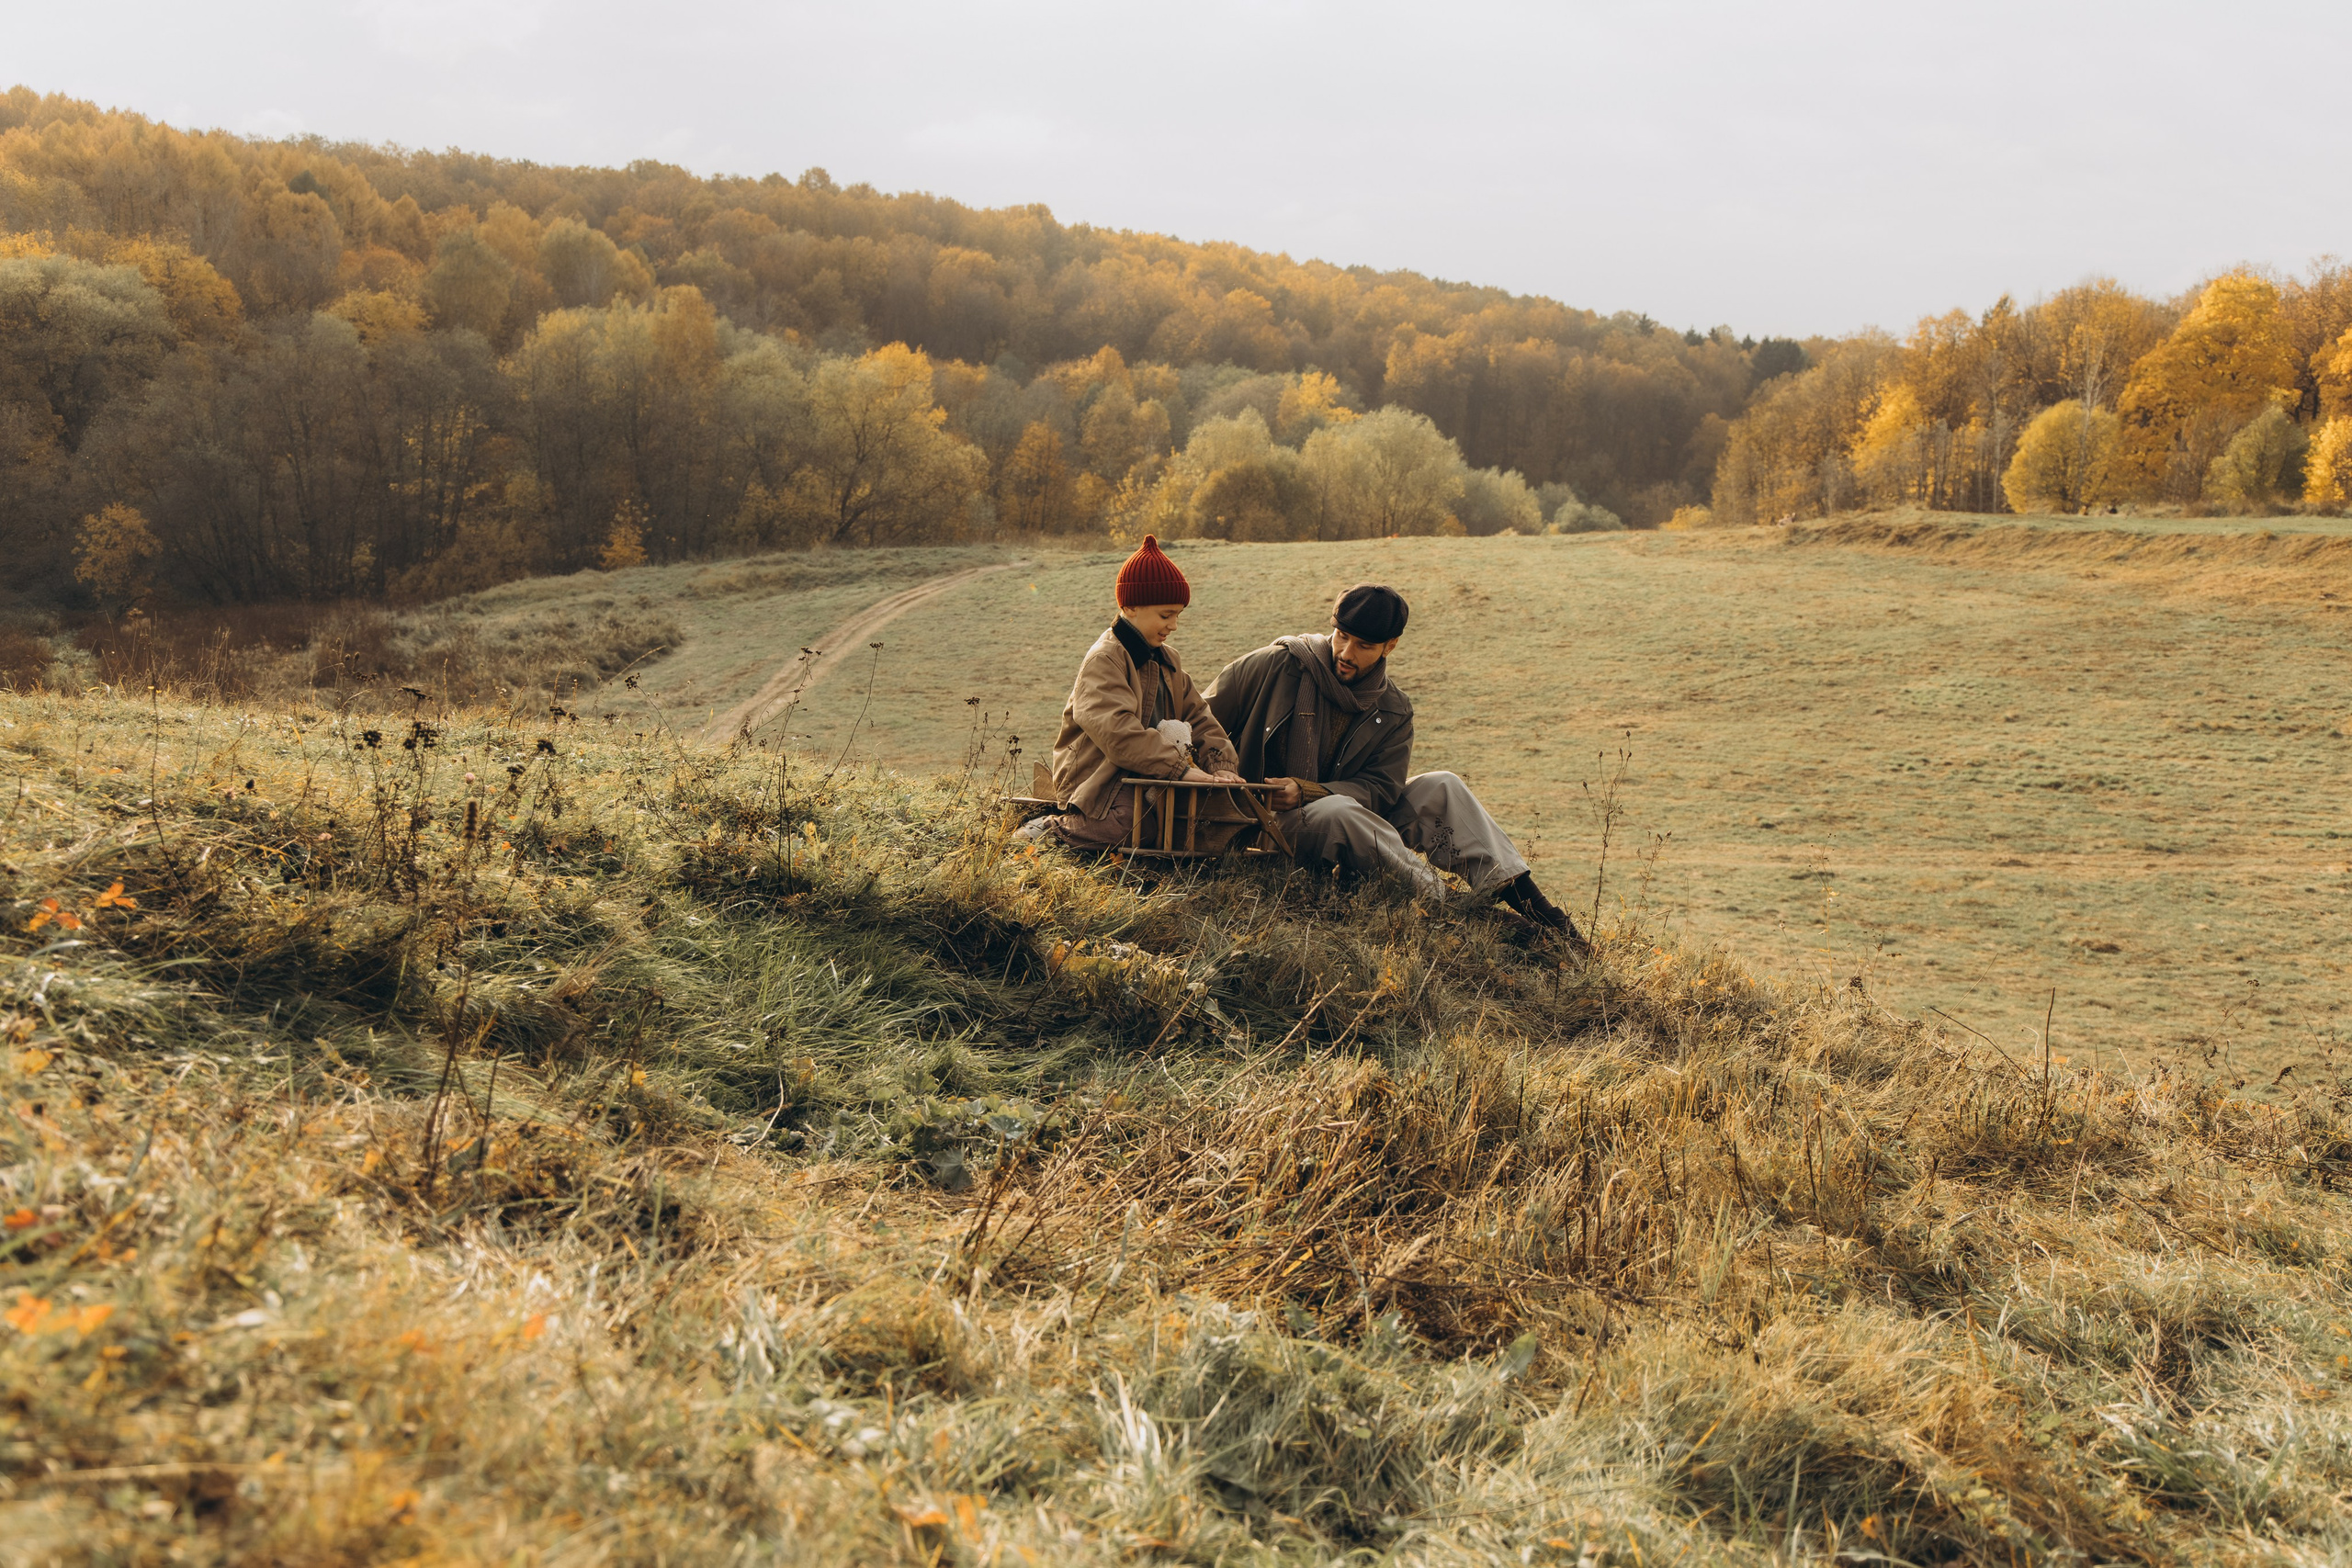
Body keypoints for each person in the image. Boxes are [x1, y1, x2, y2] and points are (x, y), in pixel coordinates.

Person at [1203, 583, 1588, 944]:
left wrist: (1309, 791)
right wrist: (1223, 774)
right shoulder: (1274, 666)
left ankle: (1542, 914)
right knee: (1338, 808)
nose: (1346, 653)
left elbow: (1382, 788)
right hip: (1261, 822)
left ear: (1390, 646)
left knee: (1442, 785)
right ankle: (1454, 909)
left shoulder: (1393, 708)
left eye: (1364, 645)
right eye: (1342, 636)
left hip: (1337, 814)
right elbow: (1199, 720)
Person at [1022, 535, 1244, 850]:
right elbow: (1117, 733)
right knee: (1131, 825)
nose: (1174, 625)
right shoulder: (1105, 659)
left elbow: (1200, 716)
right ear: (1130, 607)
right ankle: (1045, 829)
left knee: (1195, 821)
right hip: (1100, 777)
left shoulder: (1169, 660)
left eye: (1178, 615)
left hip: (1148, 770)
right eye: (1166, 615)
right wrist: (1179, 769)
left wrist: (1221, 764)